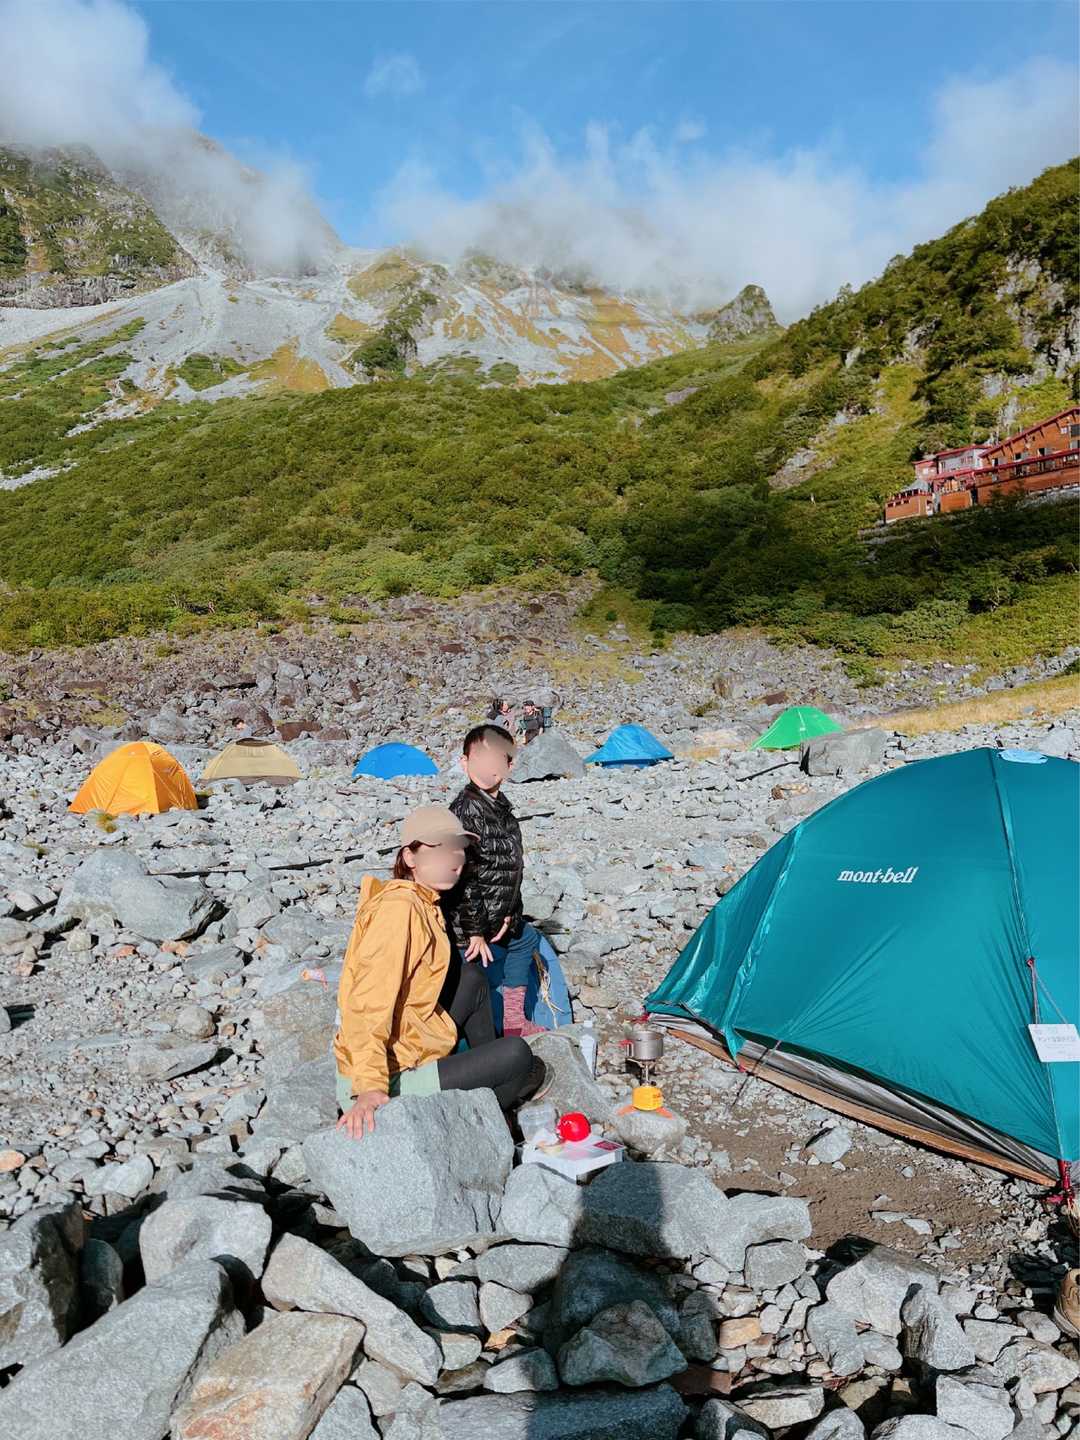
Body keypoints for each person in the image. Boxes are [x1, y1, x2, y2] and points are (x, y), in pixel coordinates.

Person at [334, 804, 549, 1139]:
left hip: (409, 1042)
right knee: (517, 1055)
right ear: (410, 857)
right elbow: (367, 1003)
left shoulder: (425, 901)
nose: (454, 857)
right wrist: (370, 1088)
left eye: (459, 847)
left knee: (473, 979)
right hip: (388, 1077)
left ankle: (487, 1080)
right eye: (441, 847)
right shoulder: (398, 911)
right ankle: (482, 1122)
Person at [447, 725, 546, 1037]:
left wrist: (511, 915)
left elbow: (509, 871)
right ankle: (468, 1040)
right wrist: (475, 931)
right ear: (465, 762)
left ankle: (513, 1019)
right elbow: (463, 877)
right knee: (472, 977)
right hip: (468, 925)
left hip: (497, 917)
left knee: (526, 939)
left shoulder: (501, 810)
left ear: (509, 765)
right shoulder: (466, 810)